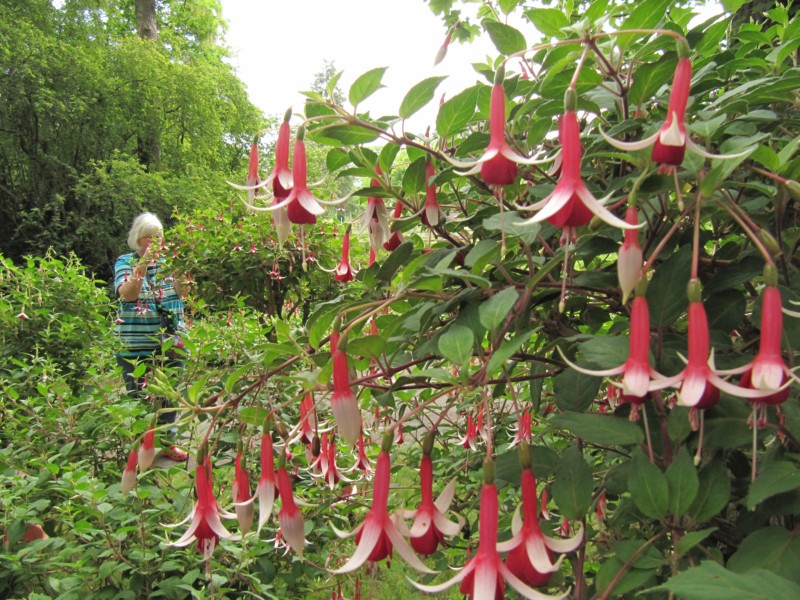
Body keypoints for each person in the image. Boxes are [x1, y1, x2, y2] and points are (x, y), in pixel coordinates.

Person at [114, 212, 188, 462]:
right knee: (139, 399)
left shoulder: (170, 263)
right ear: (139, 240)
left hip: (173, 344)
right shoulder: (125, 262)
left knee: (170, 397)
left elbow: (184, 292)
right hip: (136, 347)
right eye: (150, 239)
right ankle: (139, 449)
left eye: (160, 238)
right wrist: (143, 264)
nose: (156, 244)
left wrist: (182, 268)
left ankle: (168, 443)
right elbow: (128, 294)